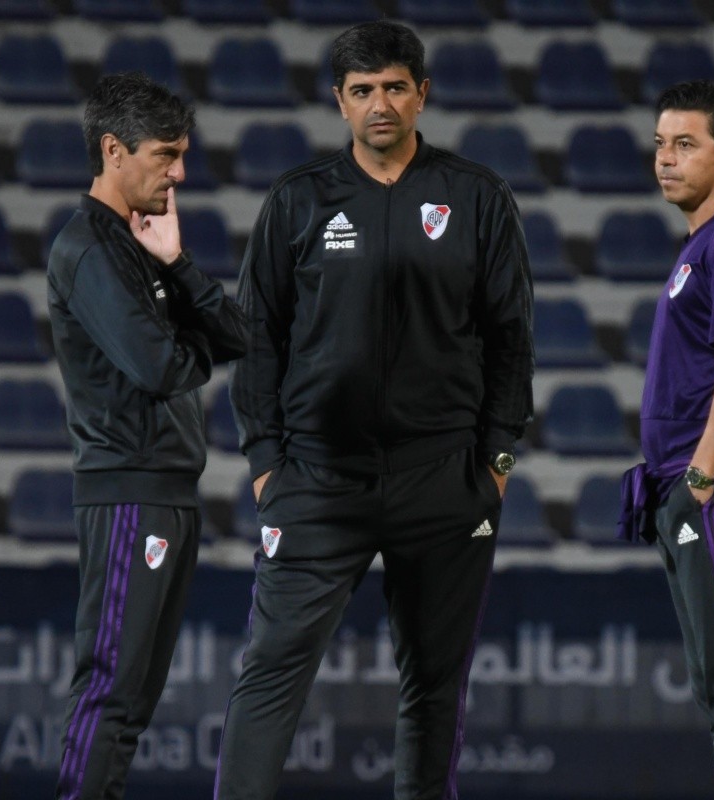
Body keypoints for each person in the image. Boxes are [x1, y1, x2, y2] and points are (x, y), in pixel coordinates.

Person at [215, 20, 534, 800]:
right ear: (340, 102)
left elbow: (511, 341)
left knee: (433, 683)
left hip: (443, 483)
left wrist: (492, 466)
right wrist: (265, 464)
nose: (380, 104)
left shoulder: (478, 197)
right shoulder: (298, 202)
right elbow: (258, 343)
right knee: (270, 674)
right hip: (319, 483)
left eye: (395, 87)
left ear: (422, 95)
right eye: (363, 91)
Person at [47, 71, 248, 800]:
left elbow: (239, 337)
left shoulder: (140, 246)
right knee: (112, 691)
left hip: (165, 494)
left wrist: (179, 266)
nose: (180, 172)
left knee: (131, 700)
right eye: (166, 155)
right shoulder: (89, 251)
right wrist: (196, 348)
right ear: (113, 150)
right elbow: (164, 366)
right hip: (129, 495)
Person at [619, 80, 714, 799]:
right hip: (698, 492)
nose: (665, 159)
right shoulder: (708, 241)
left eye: (686, 144)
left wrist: (697, 484)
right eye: (661, 144)